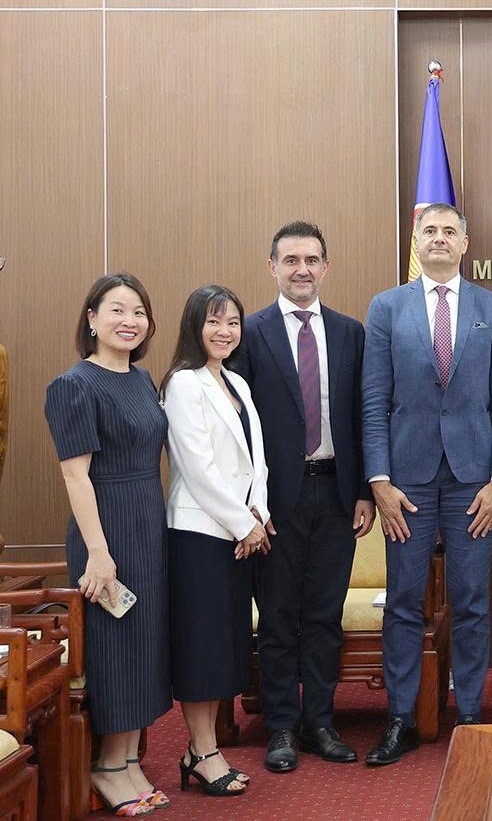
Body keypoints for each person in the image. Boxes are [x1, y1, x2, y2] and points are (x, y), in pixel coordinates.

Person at [362, 202, 492, 764]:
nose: (439, 239)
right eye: (429, 230)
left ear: (465, 243)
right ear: (417, 241)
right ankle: (401, 717)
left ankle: (470, 714)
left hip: (473, 481)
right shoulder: (387, 307)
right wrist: (379, 480)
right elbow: (373, 400)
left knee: (472, 599)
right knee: (404, 599)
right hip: (406, 484)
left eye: (450, 231)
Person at [234, 221, 374, 773]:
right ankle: (281, 726)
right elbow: (237, 425)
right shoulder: (250, 332)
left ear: (325, 266)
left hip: (337, 493)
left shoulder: (350, 332)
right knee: (276, 615)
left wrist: (363, 490)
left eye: (311, 260)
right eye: (291, 260)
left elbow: (363, 416)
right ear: (272, 267)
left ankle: (318, 721)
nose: (302, 270)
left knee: (323, 615)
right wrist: (248, 502)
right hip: (274, 501)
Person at [44, 273, 171, 816]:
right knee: (115, 645)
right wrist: (98, 552)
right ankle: (108, 765)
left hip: (148, 522)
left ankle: (129, 759)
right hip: (106, 529)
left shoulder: (142, 379)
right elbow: (75, 476)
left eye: (138, 311)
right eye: (117, 310)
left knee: (145, 643)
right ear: (92, 319)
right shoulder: (74, 385)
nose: (129, 321)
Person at [161, 285, 267, 797]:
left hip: (239, 533)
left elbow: (257, 461)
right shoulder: (183, 383)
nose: (224, 332)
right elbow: (197, 467)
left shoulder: (237, 382)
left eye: (232, 323)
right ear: (194, 326)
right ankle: (203, 752)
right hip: (199, 535)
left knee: (224, 645)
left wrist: (258, 514)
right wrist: (243, 524)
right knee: (201, 648)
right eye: (214, 322)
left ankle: (199, 752)